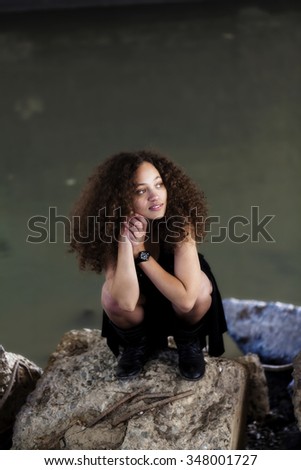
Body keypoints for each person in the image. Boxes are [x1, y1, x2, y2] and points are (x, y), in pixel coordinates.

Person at [69, 149, 227, 381]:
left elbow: (185, 300)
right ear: (121, 200)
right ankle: (139, 345)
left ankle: (187, 342)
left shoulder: (179, 224)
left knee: (200, 292)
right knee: (110, 298)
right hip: (140, 301)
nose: (156, 196)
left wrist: (141, 253)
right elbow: (125, 302)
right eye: (142, 191)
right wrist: (125, 240)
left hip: (180, 299)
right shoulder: (110, 231)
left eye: (159, 185)